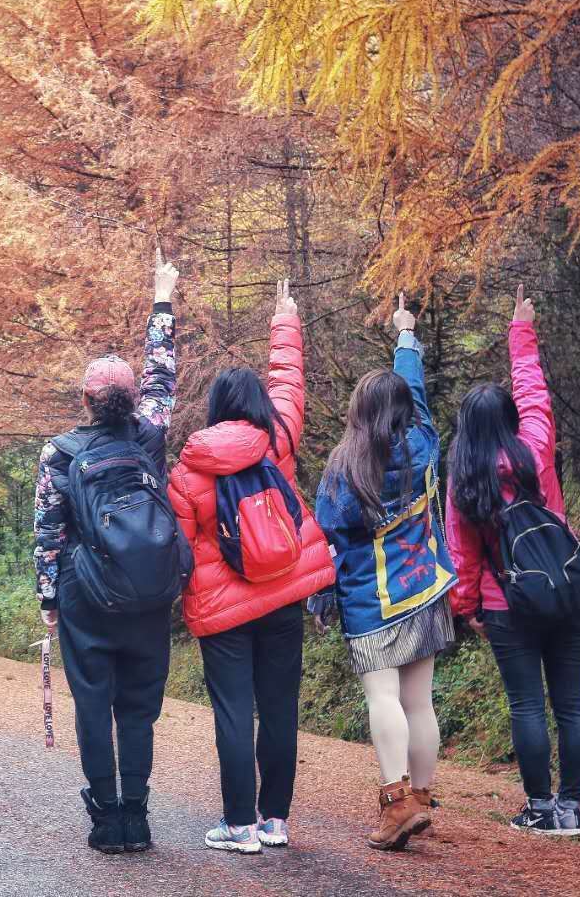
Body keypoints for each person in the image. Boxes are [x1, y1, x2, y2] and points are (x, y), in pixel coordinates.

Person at [167, 280, 336, 855]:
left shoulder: (190, 468)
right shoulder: (278, 441)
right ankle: (276, 821)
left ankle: (238, 825)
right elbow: (290, 383)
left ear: (214, 410)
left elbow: (182, 547)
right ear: (258, 406)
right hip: (285, 592)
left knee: (234, 710)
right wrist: (285, 319)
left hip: (224, 608)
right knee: (280, 707)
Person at [34, 248, 182, 854]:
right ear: (128, 399)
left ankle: (105, 821)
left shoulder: (61, 452)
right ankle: (139, 818)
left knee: (93, 706)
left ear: (87, 399)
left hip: (84, 595)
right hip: (148, 592)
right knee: (139, 710)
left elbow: (49, 532)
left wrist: (50, 598)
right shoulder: (150, 435)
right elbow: (163, 373)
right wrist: (163, 298)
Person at [446, 285, 580, 839]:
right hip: (565, 590)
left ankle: (538, 807)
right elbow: (535, 397)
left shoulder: (465, 480)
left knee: (527, 703)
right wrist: (520, 332)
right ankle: (572, 810)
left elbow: (462, 554)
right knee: (572, 705)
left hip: (505, 600)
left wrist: (468, 610)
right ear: (508, 418)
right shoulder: (535, 446)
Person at [312, 293, 456, 852]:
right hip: (427, 587)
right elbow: (414, 393)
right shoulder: (422, 442)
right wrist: (405, 336)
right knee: (420, 702)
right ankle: (421, 797)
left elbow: (327, 534)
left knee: (383, 698)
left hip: (373, 599)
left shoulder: (346, 468)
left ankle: (397, 805)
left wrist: (321, 598)